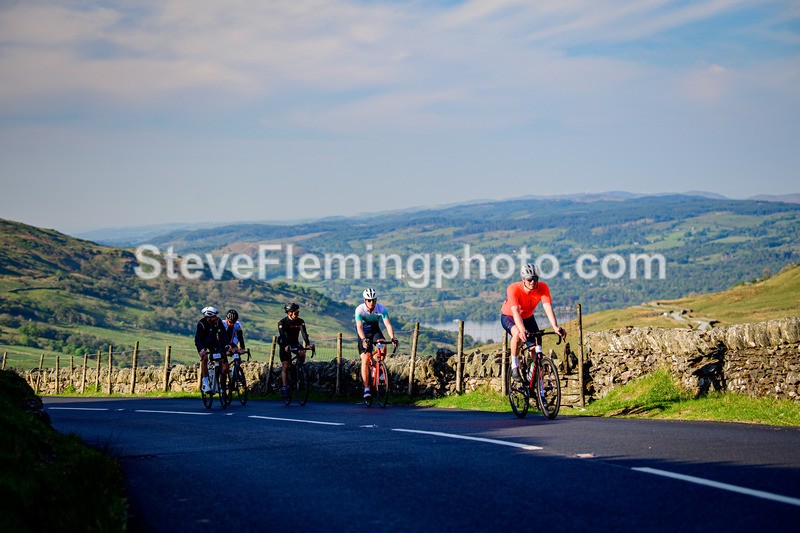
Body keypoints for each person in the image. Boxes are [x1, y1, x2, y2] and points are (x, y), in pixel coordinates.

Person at [500, 264, 567, 382]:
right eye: (529, 279)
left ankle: (533, 378)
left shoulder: (543, 287)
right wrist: (522, 331)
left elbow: (548, 307)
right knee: (518, 335)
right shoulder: (513, 288)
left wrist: (555, 327)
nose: (532, 282)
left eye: (535, 279)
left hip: (528, 318)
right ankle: (514, 366)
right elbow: (515, 312)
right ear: (523, 280)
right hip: (510, 316)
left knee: (535, 347)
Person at [355, 288, 397, 399]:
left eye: (373, 300)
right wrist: (363, 339)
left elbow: (388, 325)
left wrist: (393, 338)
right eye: (369, 300)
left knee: (383, 345)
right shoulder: (360, 309)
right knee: (365, 359)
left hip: (374, 330)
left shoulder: (381, 309)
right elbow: (359, 327)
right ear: (365, 300)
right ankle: (366, 388)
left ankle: (379, 368)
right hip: (363, 333)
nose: (371, 303)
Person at [277, 302, 313, 400]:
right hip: (284, 343)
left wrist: (308, 344)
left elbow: (304, 333)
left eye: (298, 312)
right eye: (296, 313)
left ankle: (299, 367)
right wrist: (286, 345)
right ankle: (285, 387)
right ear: (289, 313)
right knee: (285, 366)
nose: (298, 315)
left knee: (302, 351)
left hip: (294, 342)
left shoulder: (300, 321)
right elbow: (282, 335)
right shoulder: (282, 323)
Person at [194, 306, 229, 393]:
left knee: (220, 359)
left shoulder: (218, 321)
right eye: (214, 316)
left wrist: (227, 344)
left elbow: (224, 333)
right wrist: (201, 350)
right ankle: (206, 383)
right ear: (208, 317)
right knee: (205, 359)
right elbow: (198, 339)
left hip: (213, 342)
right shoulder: (201, 324)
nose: (216, 317)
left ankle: (218, 383)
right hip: (202, 343)